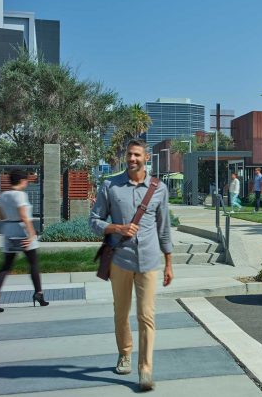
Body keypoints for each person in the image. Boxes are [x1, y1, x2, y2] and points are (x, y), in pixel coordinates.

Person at [90, 139, 173, 392]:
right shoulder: (110, 186)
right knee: (121, 313)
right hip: (120, 261)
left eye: (137, 155)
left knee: (146, 316)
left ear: (146, 157)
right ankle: (124, 353)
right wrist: (116, 228)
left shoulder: (159, 188)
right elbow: (93, 221)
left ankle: (145, 370)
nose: (132, 159)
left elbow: (164, 227)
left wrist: (169, 262)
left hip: (149, 262)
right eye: (129, 155)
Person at [0, 169, 49, 313]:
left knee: (6, 265)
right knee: (33, 263)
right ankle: (38, 294)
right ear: (22, 181)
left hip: (8, 230)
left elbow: (0, 216)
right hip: (22, 230)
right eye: (27, 180)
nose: (27, 182)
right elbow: (24, 216)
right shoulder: (20, 195)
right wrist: (32, 233)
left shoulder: (3, 196)